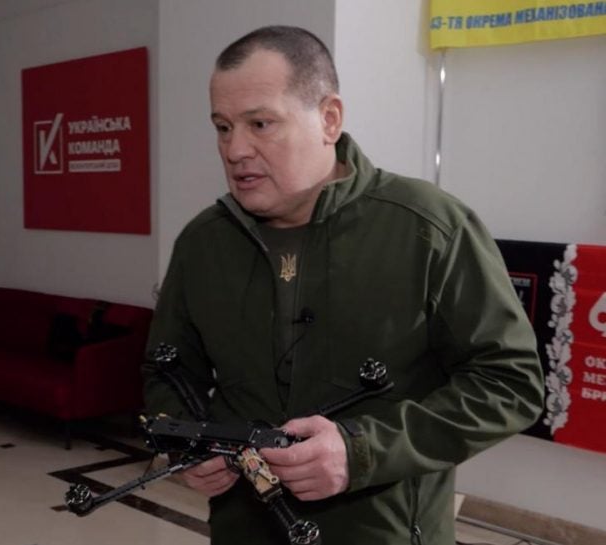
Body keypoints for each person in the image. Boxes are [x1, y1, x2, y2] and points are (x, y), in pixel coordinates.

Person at [143, 25, 544, 545]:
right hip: (244, 529)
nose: (235, 149)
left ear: (329, 119)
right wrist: (187, 441)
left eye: (260, 123)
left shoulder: (428, 228)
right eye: (222, 127)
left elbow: (509, 383)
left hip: (383, 532)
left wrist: (363, 452)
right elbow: (169, 370)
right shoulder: (203, 243)